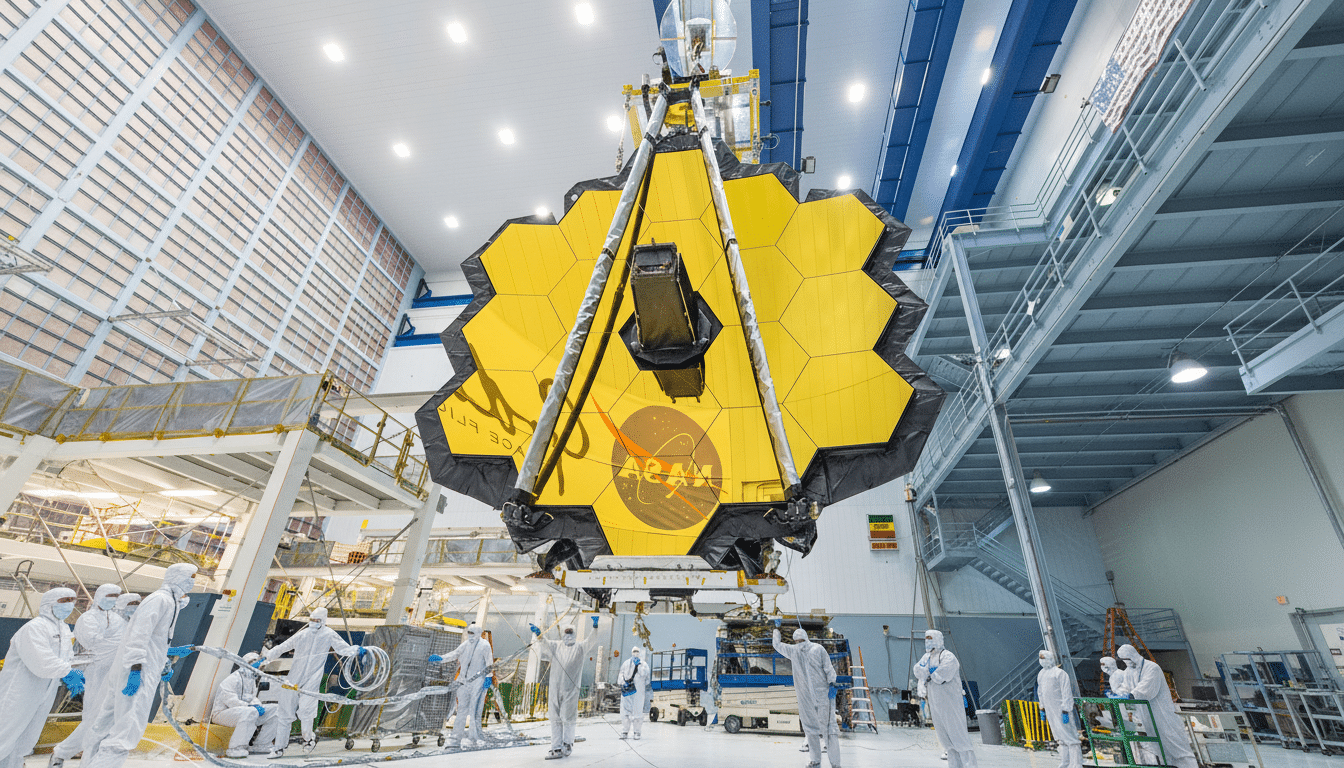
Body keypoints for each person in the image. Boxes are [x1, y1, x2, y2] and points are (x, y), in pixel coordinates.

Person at [79, 564, 198, 768]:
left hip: (134, 669)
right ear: (178, 577)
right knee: (127, 730)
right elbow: (138, 636)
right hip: (137, 672)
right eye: (191, 576)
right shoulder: (161, 600)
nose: (193, 582)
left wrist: (164, 662)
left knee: (103, 725)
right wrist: (136, 669)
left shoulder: (169, 601)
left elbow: (156, 640)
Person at [263, 606, 368, 754]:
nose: (313, 623)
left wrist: (356, 650)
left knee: (306, 711)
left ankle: (308, 740)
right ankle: (279, 747)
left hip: (312, 678)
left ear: (323, 621)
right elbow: (284, 646)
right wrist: (267, 656)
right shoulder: (303, 634)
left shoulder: (328, 634)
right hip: (293, 678)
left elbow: (342, 648)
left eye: (317, 621)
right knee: (284, 712)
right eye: (311, 620)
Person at [0, 587, 84, 768]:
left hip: (44, 692)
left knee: (26, 738)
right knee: (5, 733)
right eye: (64, 601)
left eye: (72, 600)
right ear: (49, 604)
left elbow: (67, 658)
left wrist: (73, 669)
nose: (69, 605)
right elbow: (41, 661)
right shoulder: (34, 627)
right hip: (20, 691)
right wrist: (67, 672)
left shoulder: (63, 629)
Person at [50, 584, 124, 768]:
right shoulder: (88, 618)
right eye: (109, 595)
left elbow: (123, 644)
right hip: (95, 673)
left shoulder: (118, 619)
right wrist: (116, 642)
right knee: (94, 719)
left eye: (116, 596)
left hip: (116, 672)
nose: (112, 599)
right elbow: (91, 641)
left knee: (107, 720)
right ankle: (63, 754)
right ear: (99, 596)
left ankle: (71, 755)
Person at [530, 615, 603, 758]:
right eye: (566, 632)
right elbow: (544, 643)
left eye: (570, 632)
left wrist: (594, 627)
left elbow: (591, 640)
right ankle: (556, 748)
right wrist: (538, 634)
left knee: (568, 719)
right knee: (555, 718)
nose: (568, 635)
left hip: (571, 690)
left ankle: (567, 744)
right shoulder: (555, 646)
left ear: (574, 633)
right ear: (563, 633)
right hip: (554, 689)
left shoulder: (580, 648)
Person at [773, 621, 841, 768]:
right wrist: (776, 630)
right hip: (806, 699)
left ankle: (836, 764)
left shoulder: (818, 649)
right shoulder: (794, 651)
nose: (799, 644)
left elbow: (828, 668)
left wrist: (832, 684)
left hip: (823, 695)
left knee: (829, 730)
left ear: (806, 638)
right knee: (811, 730)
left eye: (800, 641)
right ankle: (815, 760)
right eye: (796, 642)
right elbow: (777, 645)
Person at [1117, 644, 1196, 768]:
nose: (1125, 662)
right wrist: (1119, 692)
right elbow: (1125, 687)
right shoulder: (1128, 671)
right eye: (1122, 660)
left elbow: (1146, 689)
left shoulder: (1152, 668)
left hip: (1162, 716)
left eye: (1126, 659)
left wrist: (1130, 695)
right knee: (1159, 751)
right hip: (1146, 718)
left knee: (1177, 749)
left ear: (1132, 655)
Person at [914, 629, 977, 768]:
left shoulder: (948, 657)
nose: (928, 642)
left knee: (959, 738)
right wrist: (924, 676)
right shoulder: (927, 657)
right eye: (926, 639)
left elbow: (941, 676)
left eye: (931, 638)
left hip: (951, 704)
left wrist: (927, 674)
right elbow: (918, 670)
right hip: (936, 704)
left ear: (938, 639)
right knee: (946, 741)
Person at [212, 652, 283, 758]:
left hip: (244, 713)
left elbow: (252, 698)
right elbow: (231, 701)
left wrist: (257, 705)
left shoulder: (251, 680)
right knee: (251, 711)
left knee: (277, 710)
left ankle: (261, 744)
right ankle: (235, 748)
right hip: (222, 715)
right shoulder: (232, 679)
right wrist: (250, 707)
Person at [434, 622, 494, 749]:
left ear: (478, 633)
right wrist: (441, 658)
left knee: (475, 712)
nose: (470, 635)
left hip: (478, 681)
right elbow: (454, 654)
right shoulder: (465, 645)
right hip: (464, 681)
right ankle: (455, 739)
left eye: (472, 633)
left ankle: (474, 739)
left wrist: (488, 678)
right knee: (461, 711)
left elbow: (489, 663)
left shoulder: (484, 645)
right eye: (469, 633)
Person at [1036, 650, 1081, 768]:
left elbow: (1066, 693)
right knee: (1060, 738)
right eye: (1041, 658)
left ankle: (1076, 763)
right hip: (1050, 711)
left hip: (1061, 711)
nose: (1042, 661)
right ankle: (1065, 762)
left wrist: (1066, 709)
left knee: (1071, 738)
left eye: (1044, 658)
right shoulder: (1041, 674)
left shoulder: (1060, 673)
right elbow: (1040, 692)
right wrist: (1042, 708)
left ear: (1050, 659)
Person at [617, 646, 651, 741]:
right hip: (627, 691)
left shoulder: (643, 665)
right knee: (625, 712)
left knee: (637, 712)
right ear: (632, 652)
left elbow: (647, 678)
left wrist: (639, 667)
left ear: (639, 653)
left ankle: (637, 732)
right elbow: (621, 674)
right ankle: (625, 732)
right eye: (634, 651)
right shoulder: (626, 663)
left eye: (637, 651)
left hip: (638, 693)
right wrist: (623, 683)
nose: (635, 653)